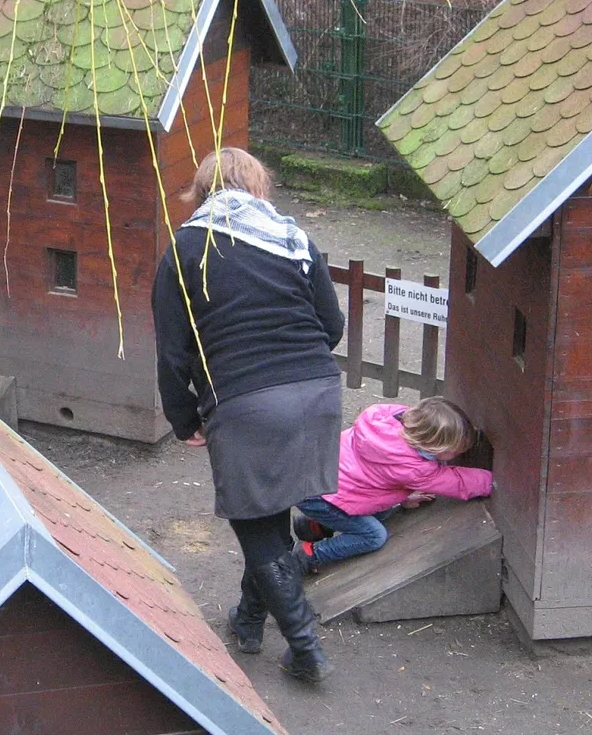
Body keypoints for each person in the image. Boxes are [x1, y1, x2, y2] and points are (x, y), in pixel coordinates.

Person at [152, 147, 344, 683]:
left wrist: (183, 418)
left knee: (256, 524)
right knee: (269, 510)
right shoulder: (294, 238)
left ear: (201, 190)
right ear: (258, 187)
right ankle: (250, 621)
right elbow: (332, 326)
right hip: (316, 392)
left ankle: (306, 650)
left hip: (247, 402)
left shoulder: (185, 247)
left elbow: (172, 352)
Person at [292, 396, 492, 574]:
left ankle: (316, 525)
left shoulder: (388, 419)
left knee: (382, 509)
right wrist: (495, 482)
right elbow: (457, 482)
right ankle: (309, 555)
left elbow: (380, 477)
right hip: (322, 496)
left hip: (312, 476)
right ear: (434, 446)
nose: (458, 455)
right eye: (455, 451)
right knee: (373, 536)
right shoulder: (416, 469)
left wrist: (403, 498)